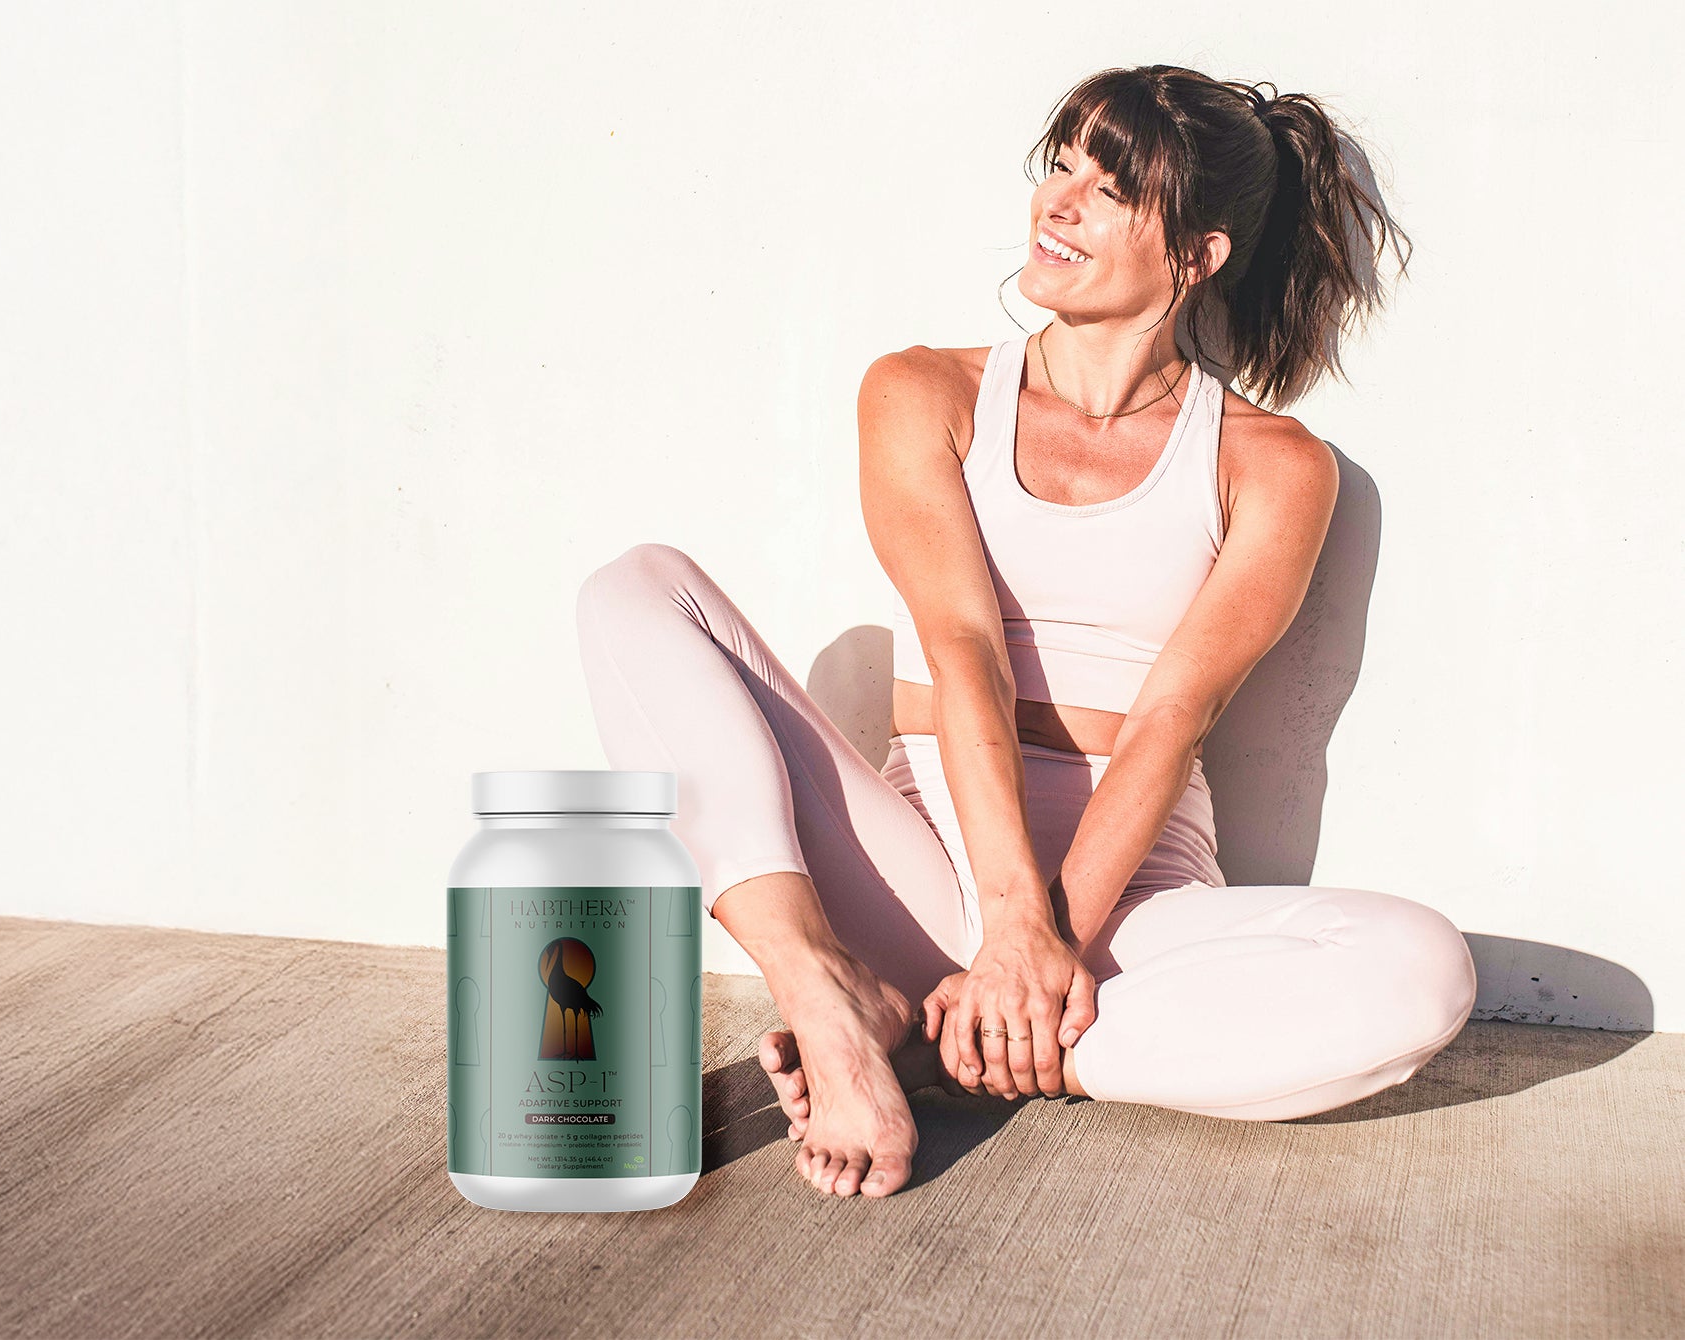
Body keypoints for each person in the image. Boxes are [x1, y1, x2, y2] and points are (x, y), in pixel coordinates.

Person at [573, 64, 1475, 1201]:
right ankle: (829, 991)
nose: (1059, 201)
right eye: (1061, 164)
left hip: (1127, 913)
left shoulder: (1276, 463)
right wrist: (1002, 927)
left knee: (1421, 970)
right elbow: (963, 645)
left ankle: (962, 1043)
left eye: (1111, 186)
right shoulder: (922, 390)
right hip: (918, 879)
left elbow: (1171, 715)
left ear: (1196, 255)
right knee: (635, 588)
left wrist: (1044, 953)